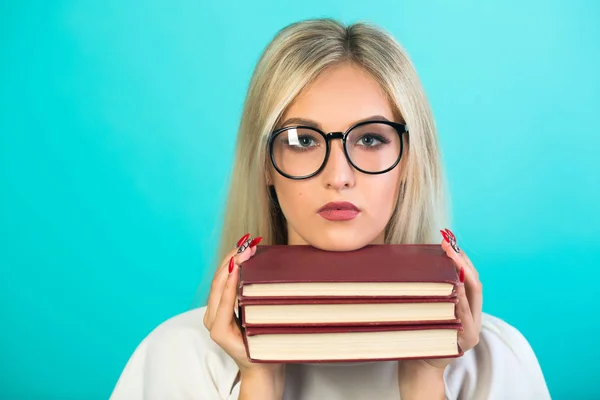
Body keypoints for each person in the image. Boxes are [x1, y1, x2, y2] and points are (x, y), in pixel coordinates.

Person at [110, 18, 550, 400]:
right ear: (265, 163)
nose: (338, 175)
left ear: (411, 162)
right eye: (302, 140)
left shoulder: (497, 360)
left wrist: (424, 378)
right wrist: (258, 379)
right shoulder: (176, 358)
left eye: (371, 139)